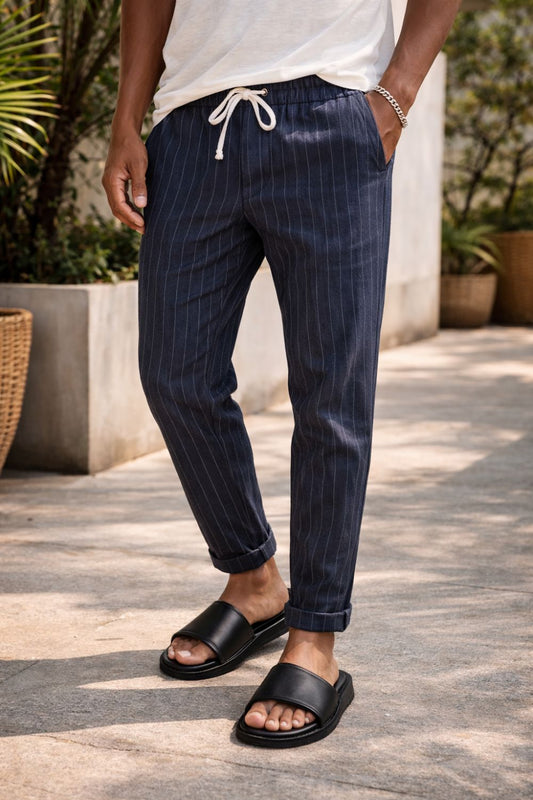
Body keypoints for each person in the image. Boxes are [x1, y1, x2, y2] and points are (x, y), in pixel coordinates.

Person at [103, 0, 461, 748]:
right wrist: (126, 121)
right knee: (174, 374)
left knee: (331, 398)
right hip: (192, 125)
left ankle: (315, 639)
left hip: (331, 114)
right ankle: (255, 580)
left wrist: (394, 95)